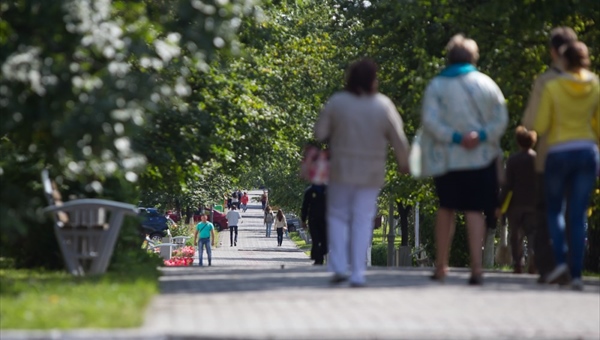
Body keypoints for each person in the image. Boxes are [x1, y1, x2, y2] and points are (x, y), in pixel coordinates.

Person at [314, 58, 410, 287]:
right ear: (373, 80)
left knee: (337, 216)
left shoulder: (338, 102)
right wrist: (404, 162)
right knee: (362, 220)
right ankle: (358, 273)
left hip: (341, 170)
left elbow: (319, 132)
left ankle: (337, 266)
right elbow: (399, 138)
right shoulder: (383, 105)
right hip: (371, 173)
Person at [421, 34, 508, 285]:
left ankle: (441, 266)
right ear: (473, 57)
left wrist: (455, 137)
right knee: (474, 210)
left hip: (447, 158)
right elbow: (500, 119)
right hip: (479, 158)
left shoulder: (437, 86)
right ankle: (477, 268)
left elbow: (429, 121)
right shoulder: (487, 84)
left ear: (449, 58)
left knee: (446, 208)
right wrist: (480, 135)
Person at [534, 41, 599, 290]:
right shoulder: (595, 85)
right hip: (586, 152)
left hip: (559, 152)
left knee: (554, 210)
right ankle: (576, 274)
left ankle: (559, 260)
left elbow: (540, 125)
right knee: (578, 212)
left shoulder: (553, 86)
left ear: (564, 60)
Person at [522, 26, 579, 283]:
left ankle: (550, 266)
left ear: (553, 51)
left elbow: (532, 122)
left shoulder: (546, 81)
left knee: (547, 211)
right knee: (575, 212)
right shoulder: (589, 81)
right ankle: (573, 266)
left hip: (551, 156)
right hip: (582, 155)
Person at [497, 126, 538, 274]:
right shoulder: (537, 159)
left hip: (515, 205)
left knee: (516, 234)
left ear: (519, 142)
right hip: (533, 204)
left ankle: (518, 263)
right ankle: (533, 257)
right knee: (533, 233)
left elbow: (507, 185)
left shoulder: (513, 160)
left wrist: (500, 204)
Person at [301, 184, 328, 265]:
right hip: (313, 219)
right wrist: (303, 220)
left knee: (325, 240)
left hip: (325, 220)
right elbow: (305, 206)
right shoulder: (310, 191)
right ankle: (318, 259)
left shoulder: (328, 190)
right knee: (315, 240)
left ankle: (320, 254)